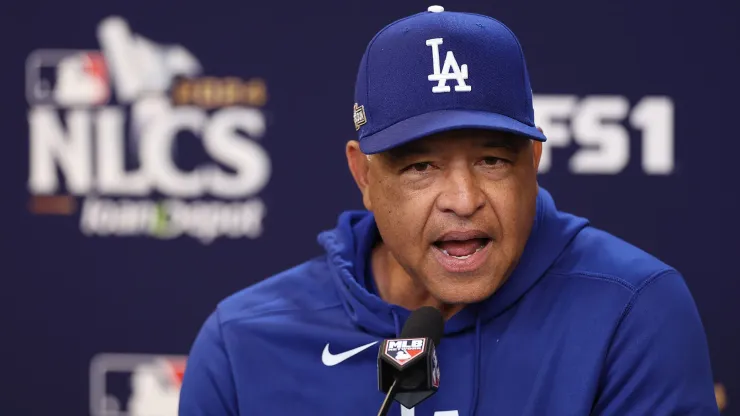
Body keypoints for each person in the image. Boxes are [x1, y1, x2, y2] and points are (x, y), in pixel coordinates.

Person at [179, 6, 718, 415]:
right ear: (364, 176)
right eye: (421, 167)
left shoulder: (633, 311)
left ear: (533, 161)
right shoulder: (243, 342)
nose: (463, 200)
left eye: (491, 160)